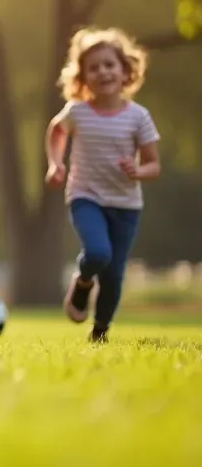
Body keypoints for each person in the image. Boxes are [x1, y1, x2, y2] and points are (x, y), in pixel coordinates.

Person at [46, 27, 159, 343]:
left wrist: (138, 171)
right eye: (93, 68)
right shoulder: (78, 112)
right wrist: (56, 163)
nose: (102, 72)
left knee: (113, 275)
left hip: (126, 206)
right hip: (86, 196)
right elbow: (56, 132)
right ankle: (82, 282)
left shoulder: (139, 117)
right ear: (82, 78)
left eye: (110, 65)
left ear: (126, 71)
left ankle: (100, 331)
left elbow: (154, 165)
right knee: (97, 253)